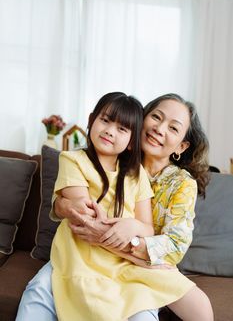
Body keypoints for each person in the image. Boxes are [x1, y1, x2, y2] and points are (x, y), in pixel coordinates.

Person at [16, 93, 213, 321]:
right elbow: (74, 203)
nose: (160, 128)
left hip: (142, 263)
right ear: (141, 121)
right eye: (156, 117)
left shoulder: (180, 183)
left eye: (173, 128)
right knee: (39, 290)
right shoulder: (113, 156)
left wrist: (120, 236)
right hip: (83, 253)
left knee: (197, 308)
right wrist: (62, 205)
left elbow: (174, 246)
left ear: (182, 145)